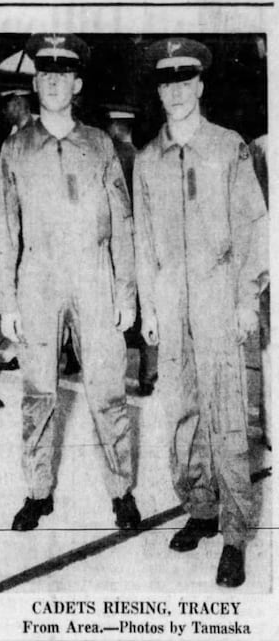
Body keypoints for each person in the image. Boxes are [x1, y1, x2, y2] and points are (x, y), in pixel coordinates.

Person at [133, 37, 267, 588]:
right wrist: (150, 306)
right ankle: (201, 507)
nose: (177, 92)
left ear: (201, 86)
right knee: (183, 413)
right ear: (161, 92)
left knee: (229, 416)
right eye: (168, 83)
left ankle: (234, 534)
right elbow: (143, 240)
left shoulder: (229, 147)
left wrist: (245, 299)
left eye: (186, 81)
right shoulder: (145, 160)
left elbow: (253, 229)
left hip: (219, 298)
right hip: (171, 298)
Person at [0, 34, 141, 532]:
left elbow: (122, 223)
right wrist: (7, 300)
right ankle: (38, 492)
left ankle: (121, 490)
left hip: (94, 275)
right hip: (37, 277)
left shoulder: (100, 144)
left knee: (107, 391)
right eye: (45, 73)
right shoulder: (15, 148)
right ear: (36, 82)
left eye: (63, 74)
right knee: (38, 392)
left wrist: (126, 292)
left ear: (76, 84)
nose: (54, 81)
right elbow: (5, 226)